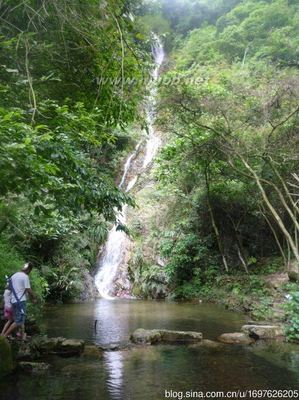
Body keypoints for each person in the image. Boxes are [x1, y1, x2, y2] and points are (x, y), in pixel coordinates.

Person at [2, 262, 37, 339]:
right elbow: (28, 289)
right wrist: (34, 297)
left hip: (14, 301)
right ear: (29, 269)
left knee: (16, 320)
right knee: (19, 321)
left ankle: (15, 335)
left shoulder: (14, 275)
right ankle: (4, 336)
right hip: (20, 302)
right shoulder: (25, 277)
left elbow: (7, 287)